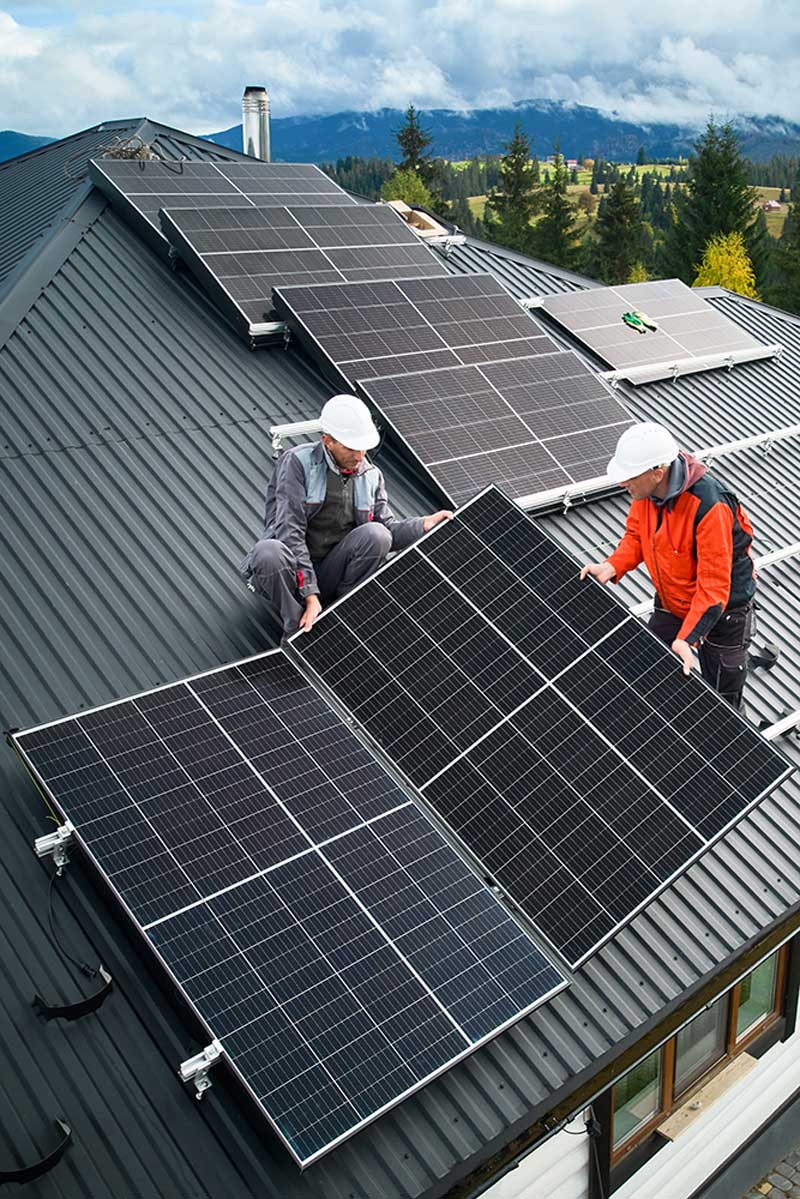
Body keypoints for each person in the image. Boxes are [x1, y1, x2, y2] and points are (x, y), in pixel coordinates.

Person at [241, 394, 453, 635]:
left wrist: (423, 525)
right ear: (328, 441)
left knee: (377, 534)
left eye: (363, 447)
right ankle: (297, 631)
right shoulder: (298, 463)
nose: (359, 456)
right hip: (289, 574)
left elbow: (388, 530)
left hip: (330, 570)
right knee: (268, 552)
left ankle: (342, 614)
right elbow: (290, 532)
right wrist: (310, 594)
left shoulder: (371, 476)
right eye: (351, 448)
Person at [580, 421, 757, 709]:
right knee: (652, 666)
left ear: (657, 473)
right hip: (674, 601)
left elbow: (714, 587)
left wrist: (686, 639)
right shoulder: (646, 493)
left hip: (725, 613)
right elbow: (637, 536)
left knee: (722, 702)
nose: (622, 484)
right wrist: (612, 566)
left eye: (629, 477)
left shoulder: (709, 506)